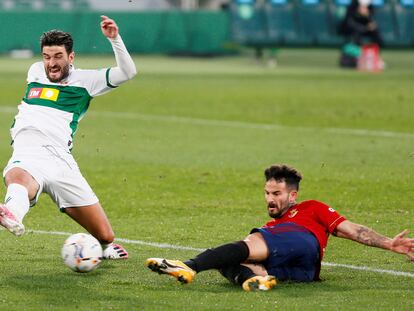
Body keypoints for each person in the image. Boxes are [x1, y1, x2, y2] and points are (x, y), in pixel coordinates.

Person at [146, 164, 414, 291]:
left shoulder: (310, 208)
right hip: (303, 272)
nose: (270, 199)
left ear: (292, 195)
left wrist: (389, 243)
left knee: (241, 247)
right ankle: (253, 279)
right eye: (266, 193)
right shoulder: (272, 226)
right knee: (228, 257)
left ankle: (189, 265)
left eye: (276, 193)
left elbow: (350, 229)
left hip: (303, 241)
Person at [0, 16, 137, 259]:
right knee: (17, 178)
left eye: (58, 57)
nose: (51, 63)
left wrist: (114, 39)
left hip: (61, 161)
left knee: (105, 236)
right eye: (46, 57)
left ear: (71, 57)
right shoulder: (34, 71)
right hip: (29, 150)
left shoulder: (86, 81)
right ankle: (10, 213)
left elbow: (128, 72)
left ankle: (104, 249)